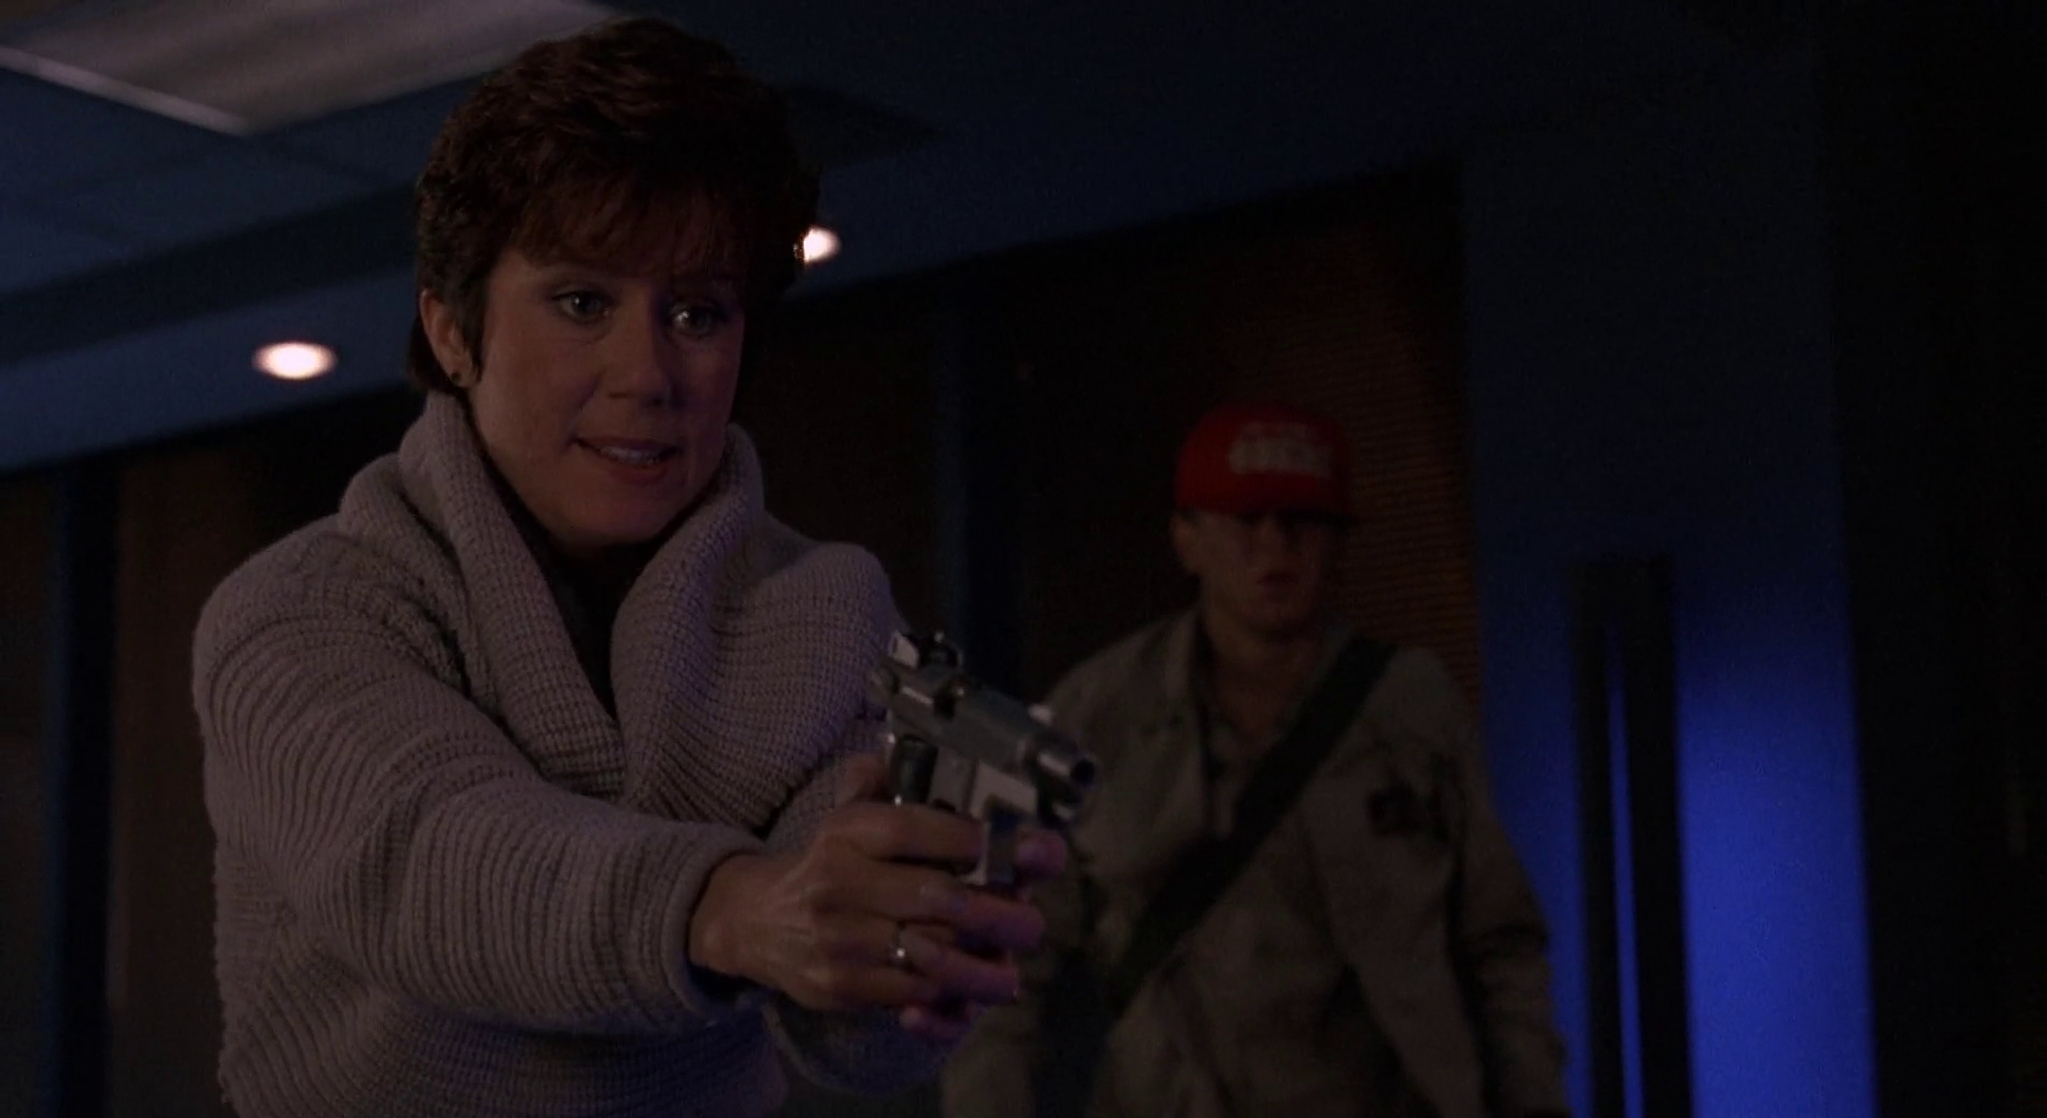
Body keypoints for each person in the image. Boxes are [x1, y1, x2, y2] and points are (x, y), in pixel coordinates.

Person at [192, 19, 1060, 1117]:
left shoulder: (827, 616)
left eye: (696, 313)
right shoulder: (301, 611)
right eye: (582, 303)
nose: (647, 372)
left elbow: (850, 1036)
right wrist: (733, 908)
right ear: (452, 332)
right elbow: (428, 860)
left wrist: (912, 942)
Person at [943, 402, 1568, 1118]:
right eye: (1245, 520)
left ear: (1338, 542)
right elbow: (1005, 958)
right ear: (1187, 539)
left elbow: (1499, 942)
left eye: (1300, 521)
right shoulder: (1100, 711)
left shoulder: (1409, 706)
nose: (1274, 546)